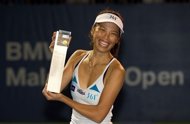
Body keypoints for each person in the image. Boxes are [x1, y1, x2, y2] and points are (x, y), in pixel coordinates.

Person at [42, 8, 126, 124]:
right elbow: (51, 91)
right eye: (102, 30)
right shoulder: (78, 56)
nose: (106, 37)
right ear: (93, 30)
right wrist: (57, 56)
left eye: (113, 34)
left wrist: (63, 98)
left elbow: (98, 115)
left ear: (117, 40)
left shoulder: (116, 70)